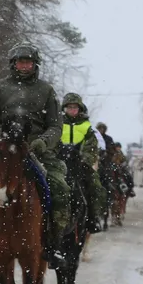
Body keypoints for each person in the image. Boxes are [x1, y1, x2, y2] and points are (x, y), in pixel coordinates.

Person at [0, 43, 71, 267]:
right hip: (5, 152)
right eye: (20, 62)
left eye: (28, 62)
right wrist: (1, 135)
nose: (24, 66)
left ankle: (53, 245)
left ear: (35, 65)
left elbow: (56, 126)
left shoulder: (46, 91)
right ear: (13, 64)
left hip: (38, 153)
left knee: (61, 190)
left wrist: (42, 142)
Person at [57, 93, 106, 233]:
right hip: (59, 163)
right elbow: (52, 142)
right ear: (65, 108)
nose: (72, 110)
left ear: (80, 109)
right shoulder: (57, 124)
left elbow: (91, 147)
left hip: (79, 163)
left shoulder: (87, 126)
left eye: (75, 107)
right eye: (69, 107)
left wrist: (84, 158)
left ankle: (93, 218)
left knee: (95, 185)